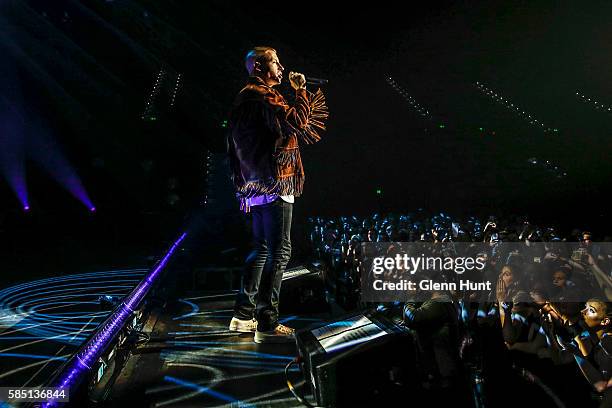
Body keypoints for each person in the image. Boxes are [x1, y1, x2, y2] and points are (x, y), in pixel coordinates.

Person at [227, 46, 328, 343]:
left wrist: (242, 187)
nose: (282, 68)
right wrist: (301, 91)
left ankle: (243, 316)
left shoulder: (243, 97)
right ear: (259, 67)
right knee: (280, 251)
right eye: (276, 62)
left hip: (255, 183)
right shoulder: (263, 95)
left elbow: (234, 148)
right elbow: (298, 122)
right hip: (276, 181)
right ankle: (267, 323)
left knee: (260, 249)